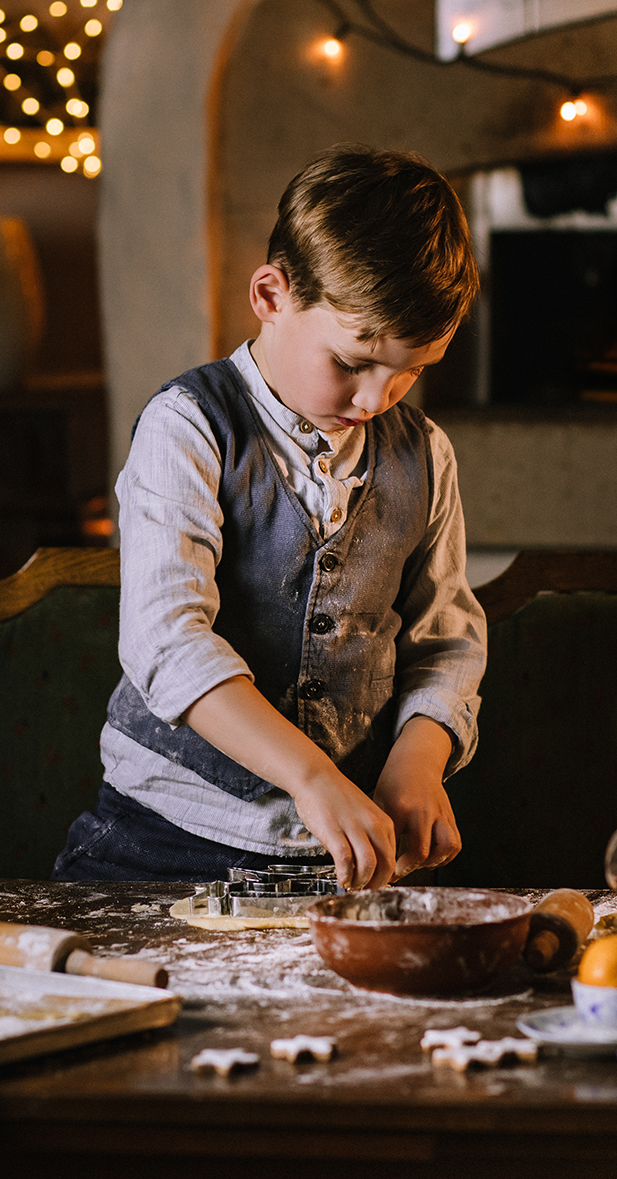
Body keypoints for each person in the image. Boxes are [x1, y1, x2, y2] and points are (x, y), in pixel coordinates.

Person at [52, 145, 487, 891]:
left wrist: (418, 758)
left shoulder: (426, 454)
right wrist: (311, 779)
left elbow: (445, 641)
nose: (375, 400)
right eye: (351, 363)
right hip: (166, 841)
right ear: (271, 294)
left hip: (351, 852)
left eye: (412, 371)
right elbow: (168, 641)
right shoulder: (188, 425)